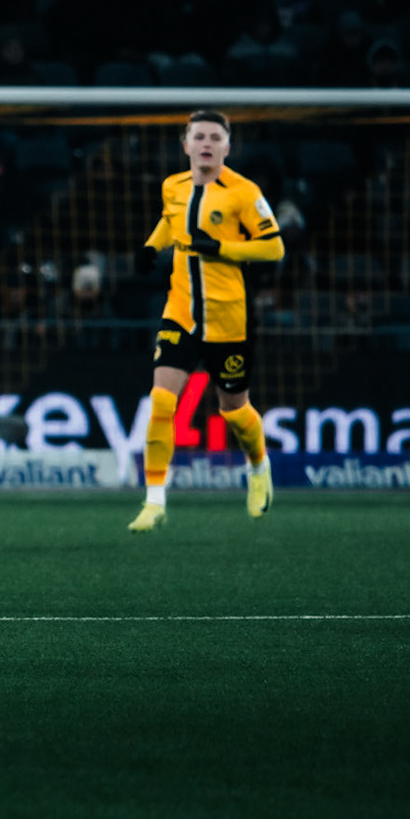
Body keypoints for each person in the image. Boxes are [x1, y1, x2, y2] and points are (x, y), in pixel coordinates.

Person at [128, 110, 285, 532]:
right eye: (199, 136)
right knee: (162, 401)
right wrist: (151, 246)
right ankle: (154, 500)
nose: (207, 144)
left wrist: (221, 247)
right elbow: (170, 220)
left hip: (227, 319)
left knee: (234, 411)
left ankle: (258, 469)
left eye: (215, 137)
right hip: (180, 313)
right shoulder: (172, 186)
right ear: (186, 145)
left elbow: (273, 248)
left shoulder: (242, 191)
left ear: (227, 147)